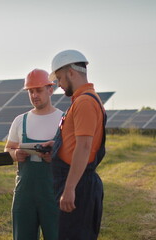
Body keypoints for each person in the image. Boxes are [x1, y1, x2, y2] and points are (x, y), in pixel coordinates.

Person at [44, 50, 107, 239]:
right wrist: (56, 147)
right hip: (77, 182)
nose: (59, 85)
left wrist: (70, 188)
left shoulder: (85, 102)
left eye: (60, 78)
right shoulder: (82, 99)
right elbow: (75, 141)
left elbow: (84, 147)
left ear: (71, 72)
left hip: (79, 186)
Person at [4, 69, 62, 240]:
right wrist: (16, 155)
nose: (35, 95)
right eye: (31, 91)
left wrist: (55, 158)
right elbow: (8, 148)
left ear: (50, 90)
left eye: (39, 90)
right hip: (24, 194)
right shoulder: (20, 120)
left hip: (54, 193)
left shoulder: (64, 119)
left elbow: (73, 155)